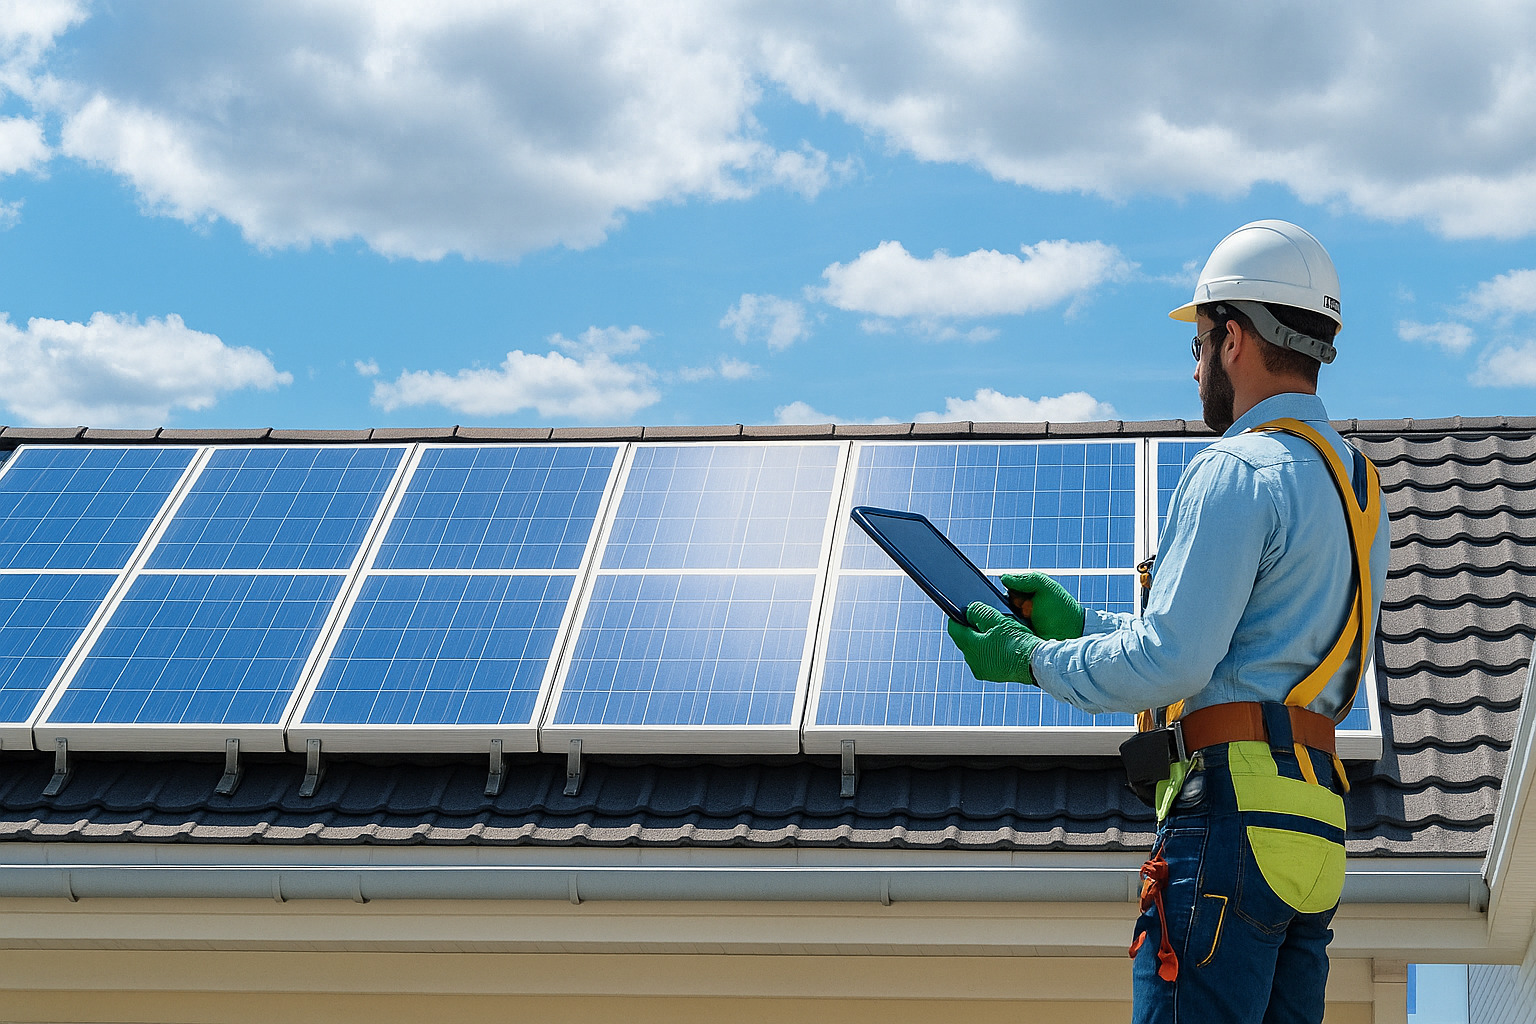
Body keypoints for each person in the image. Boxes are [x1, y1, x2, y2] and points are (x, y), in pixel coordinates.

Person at [945, 219, 1391, 1024]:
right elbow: (1242, 645)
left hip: (1227, 823)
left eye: (1199, 343)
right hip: (1314, 831)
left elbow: (1174, 661)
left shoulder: (1236, 470)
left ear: (1234, 338)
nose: (1194, 368)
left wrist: (1032, 657)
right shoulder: (1359, 487)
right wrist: (1084, 624)